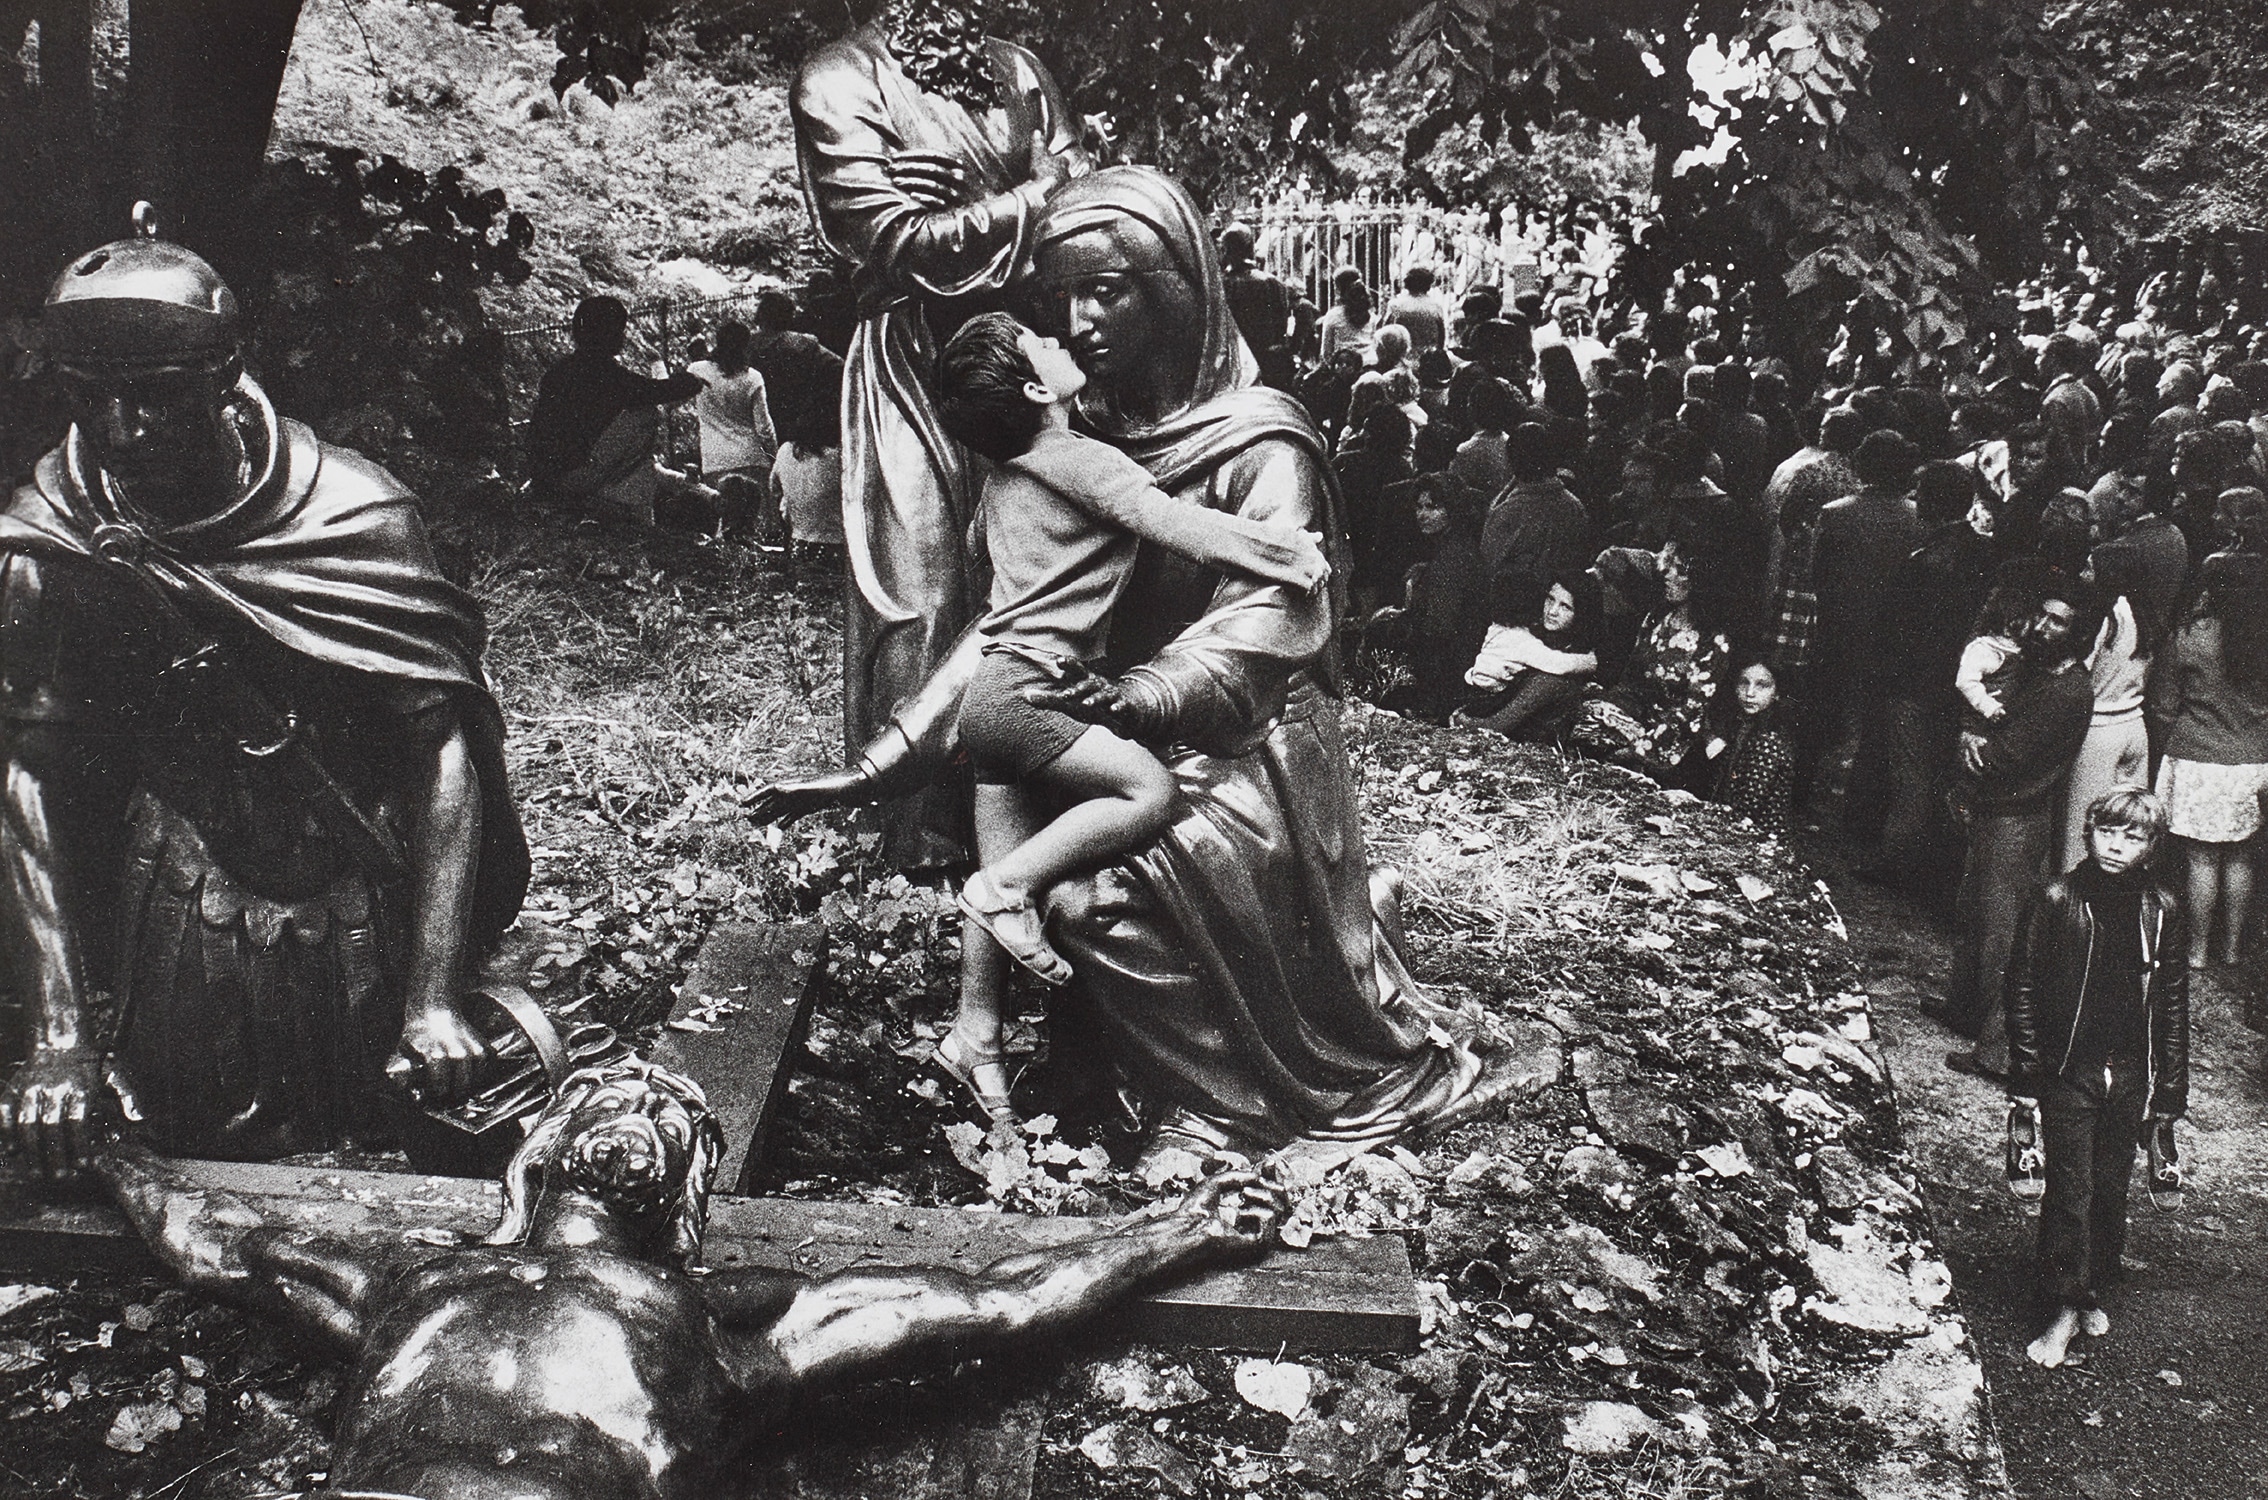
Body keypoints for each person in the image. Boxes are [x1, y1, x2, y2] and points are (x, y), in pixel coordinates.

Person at [751, 166, 1500, 1159]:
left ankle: (1218, 1108)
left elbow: (1272, 613)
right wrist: (881, 763)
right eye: (1065, 297)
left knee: (1095, 889)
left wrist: (1145, 693)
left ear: (1179, 285)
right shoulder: (1071, 440)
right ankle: (1109, 1066)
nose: (1083, 318)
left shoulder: (1263, 440)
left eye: (1111, 289)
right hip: (1094, 718)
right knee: (1052, 863)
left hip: (1243, 745)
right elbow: (1010, 630)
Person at [97, 1056, 1288, 1500]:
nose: (639, 1114)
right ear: (543, 1152)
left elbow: (990, 1302)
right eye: (611, 1100)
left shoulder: (721, 1343)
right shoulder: (410, 1279)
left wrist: (1180, 1227)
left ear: (680, 1207)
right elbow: (223, 1242)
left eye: (667, 1119)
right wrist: (106, 1151)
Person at [0, 222, 528, 1171]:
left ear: (223, 374)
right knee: (187, 1130)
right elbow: (26, 775)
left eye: (158, 398)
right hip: (177, 883)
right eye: (90, 400)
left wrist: (435, 994)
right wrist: (58, 1029)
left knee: (384, 1122)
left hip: (352, 884)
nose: (124, 432)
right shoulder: (53, 542)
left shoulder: (360, 517)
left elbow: (437, 749)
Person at [927, 311, 1328, 1117]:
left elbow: (978, 557)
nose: (1065, 337)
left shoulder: (1003, 481)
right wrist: (1292, 556)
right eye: (1045, 344)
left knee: (1003, 883)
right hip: (1034, 693)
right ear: (1040, 389)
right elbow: (1176, 526)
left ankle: (976, 1039)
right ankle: (999, 895)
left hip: (989, 699)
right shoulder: (1081, 461)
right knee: (1145, 795)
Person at [792, 0, 1091, 866]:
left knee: (1030, 579)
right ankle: (914, 837)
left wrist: (981, 210)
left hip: (1025, 357)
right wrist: (1031, 198)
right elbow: (898, 244)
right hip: (914, 367)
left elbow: (1089, 197)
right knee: (921, 592)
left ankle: (1029, 812)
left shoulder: (1021, 70)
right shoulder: (837, 78)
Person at [2004, 790, 2188, 1369]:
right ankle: (2061, 1310)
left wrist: (2170, 1091)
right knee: (2071, 1191)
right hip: (2069, 1069)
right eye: (2108, 831)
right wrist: (2029, 1075)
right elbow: (2023, 985)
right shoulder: (2055, 896)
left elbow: (2173, 1000)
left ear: (2152, 846)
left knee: (2110, 1190)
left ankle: (2089, 1289)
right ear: (2088, 832)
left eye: (2133, 837)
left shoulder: (2161, 907)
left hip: (2129, 1071)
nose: (2117, 845)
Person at [1939, 584, 2096, 1079]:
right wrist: (1970, 731)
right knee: (1975, 914)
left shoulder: (2068, 691)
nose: (2044, 629)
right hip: (1997, 810)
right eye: (2042, 617)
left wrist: (1972, 749)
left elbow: (2007, 757)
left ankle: (1999, 1052)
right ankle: (1963, 1009)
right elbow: (1981, 711)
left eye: (2060, 623)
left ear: (2080, 633)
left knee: (2004, 934)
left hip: (2017, 818)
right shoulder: (2033, 668)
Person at [2147, 553, 2268, 969]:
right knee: (2240, 856)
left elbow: (2163, 705)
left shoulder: (2191, 637)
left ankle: (2197, 952)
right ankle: (2232, 949)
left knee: (2201, 859)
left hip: (2199, 758)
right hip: (2255, 761)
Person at [526, 296, 709, 524]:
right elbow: (651, 392)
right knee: (645, 414)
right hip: (576, 477)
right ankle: (603, 492)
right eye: (620, 330)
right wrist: (691, 381)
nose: (623, 336)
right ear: (608, 333)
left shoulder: (559, 371)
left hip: (546, 475)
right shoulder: (602, 371)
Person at [1568, 536, 1734, 784]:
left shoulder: (1713, 641)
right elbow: (1631, 682)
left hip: (1675, 741)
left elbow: (1692, 712)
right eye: (1668, 565)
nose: (1667, 574)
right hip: (1637, 722)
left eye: (1680, 570)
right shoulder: (1656, 618)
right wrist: (1611, 709)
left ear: (1700, 581)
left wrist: (1637, 750)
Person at [1455, 570, 1600, 740]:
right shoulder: (1527, 635)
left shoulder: (1563, 659)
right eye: (1550, 599)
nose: (1552, 611)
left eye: (1565, 606)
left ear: (1581, 614)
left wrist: (1464, 721)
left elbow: (1501, 722)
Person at [685, 320, 777, 529]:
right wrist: (773, 457)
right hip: (752, 458)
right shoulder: (752, 377)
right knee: (755, 527)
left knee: (722, 526)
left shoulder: (697, 370)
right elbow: (763, 427)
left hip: (715, 459)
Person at [1702, 656, 1797, 839]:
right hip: (1732, 826)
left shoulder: (1769, 739)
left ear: (1777, 692)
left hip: (1758, 836)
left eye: (1762, 685)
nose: (1749, 693)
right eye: (1744, 683)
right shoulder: (1741, 726)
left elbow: (1746, 804)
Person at [1219, 223, 1298, 391]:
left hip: (1235, 363)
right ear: (1250, 248)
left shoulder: (1221, 285)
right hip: (1268, 361)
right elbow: (1281, 326)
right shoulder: (1273, 283)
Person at [1383, 265, 1447, 355]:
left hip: (1402, 356)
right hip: (1428, 357)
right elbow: (1441, 337)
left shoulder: (1395, 305)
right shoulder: (1436, 307)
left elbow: (1385, 333)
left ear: (1407, 284)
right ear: (1428, 285)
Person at [1318, 268, 1377, 364]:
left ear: (1338, 288)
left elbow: (1326, 353)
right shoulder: (1371, 314)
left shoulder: (1333, 316)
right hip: (1371, 363)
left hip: (1346, 367)